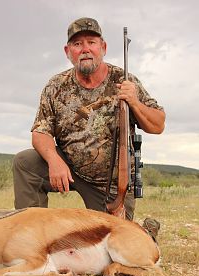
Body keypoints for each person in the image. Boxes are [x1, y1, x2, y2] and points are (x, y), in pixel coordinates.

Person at [13, 17, 165, 221]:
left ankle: (144, 235)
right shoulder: (56, 85)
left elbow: (158, 125)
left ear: (103, 47)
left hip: (109, 184)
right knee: (25, 162)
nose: (85, 49)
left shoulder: (125, 80)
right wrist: (54, 161)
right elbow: (40, 132)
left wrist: (135, 102)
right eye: (77, 44)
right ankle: (31, 231)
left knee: (113, 243)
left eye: (91, 42)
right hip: (70, 167)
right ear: (68, 52)